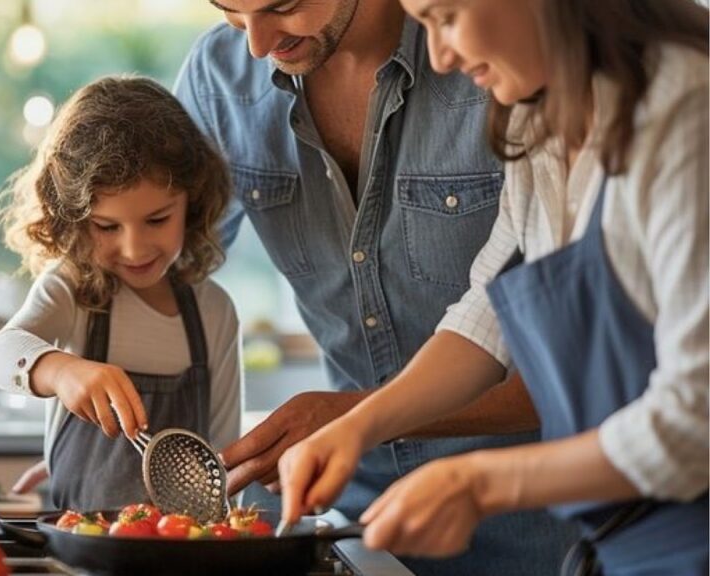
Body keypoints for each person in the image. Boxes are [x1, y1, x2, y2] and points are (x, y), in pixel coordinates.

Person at [279, 0, 709, 574]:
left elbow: (695, 420)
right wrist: (359, 427)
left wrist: (479, 483)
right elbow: (487, 311)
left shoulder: (686, 110)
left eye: (446, 17)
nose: (440, 55)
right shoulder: (537, 119)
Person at [175, 1, 575, 574]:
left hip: (539, 520)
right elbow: (482, 321)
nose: (257, 46)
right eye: (232, 12)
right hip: (347, 515)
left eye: (282, 5)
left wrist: (351, 420)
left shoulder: (509, 64)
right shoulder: (221, 81)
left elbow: (587, 378)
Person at [0, 76, 242, 511]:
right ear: (74, 219)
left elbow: (226, 458)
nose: (134, 248)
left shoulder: (213, 311)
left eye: (157, 220)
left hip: (185, 552)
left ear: (192, 202)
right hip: (82, 552)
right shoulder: (74, 288)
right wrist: (61, 372)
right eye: (107, 227)